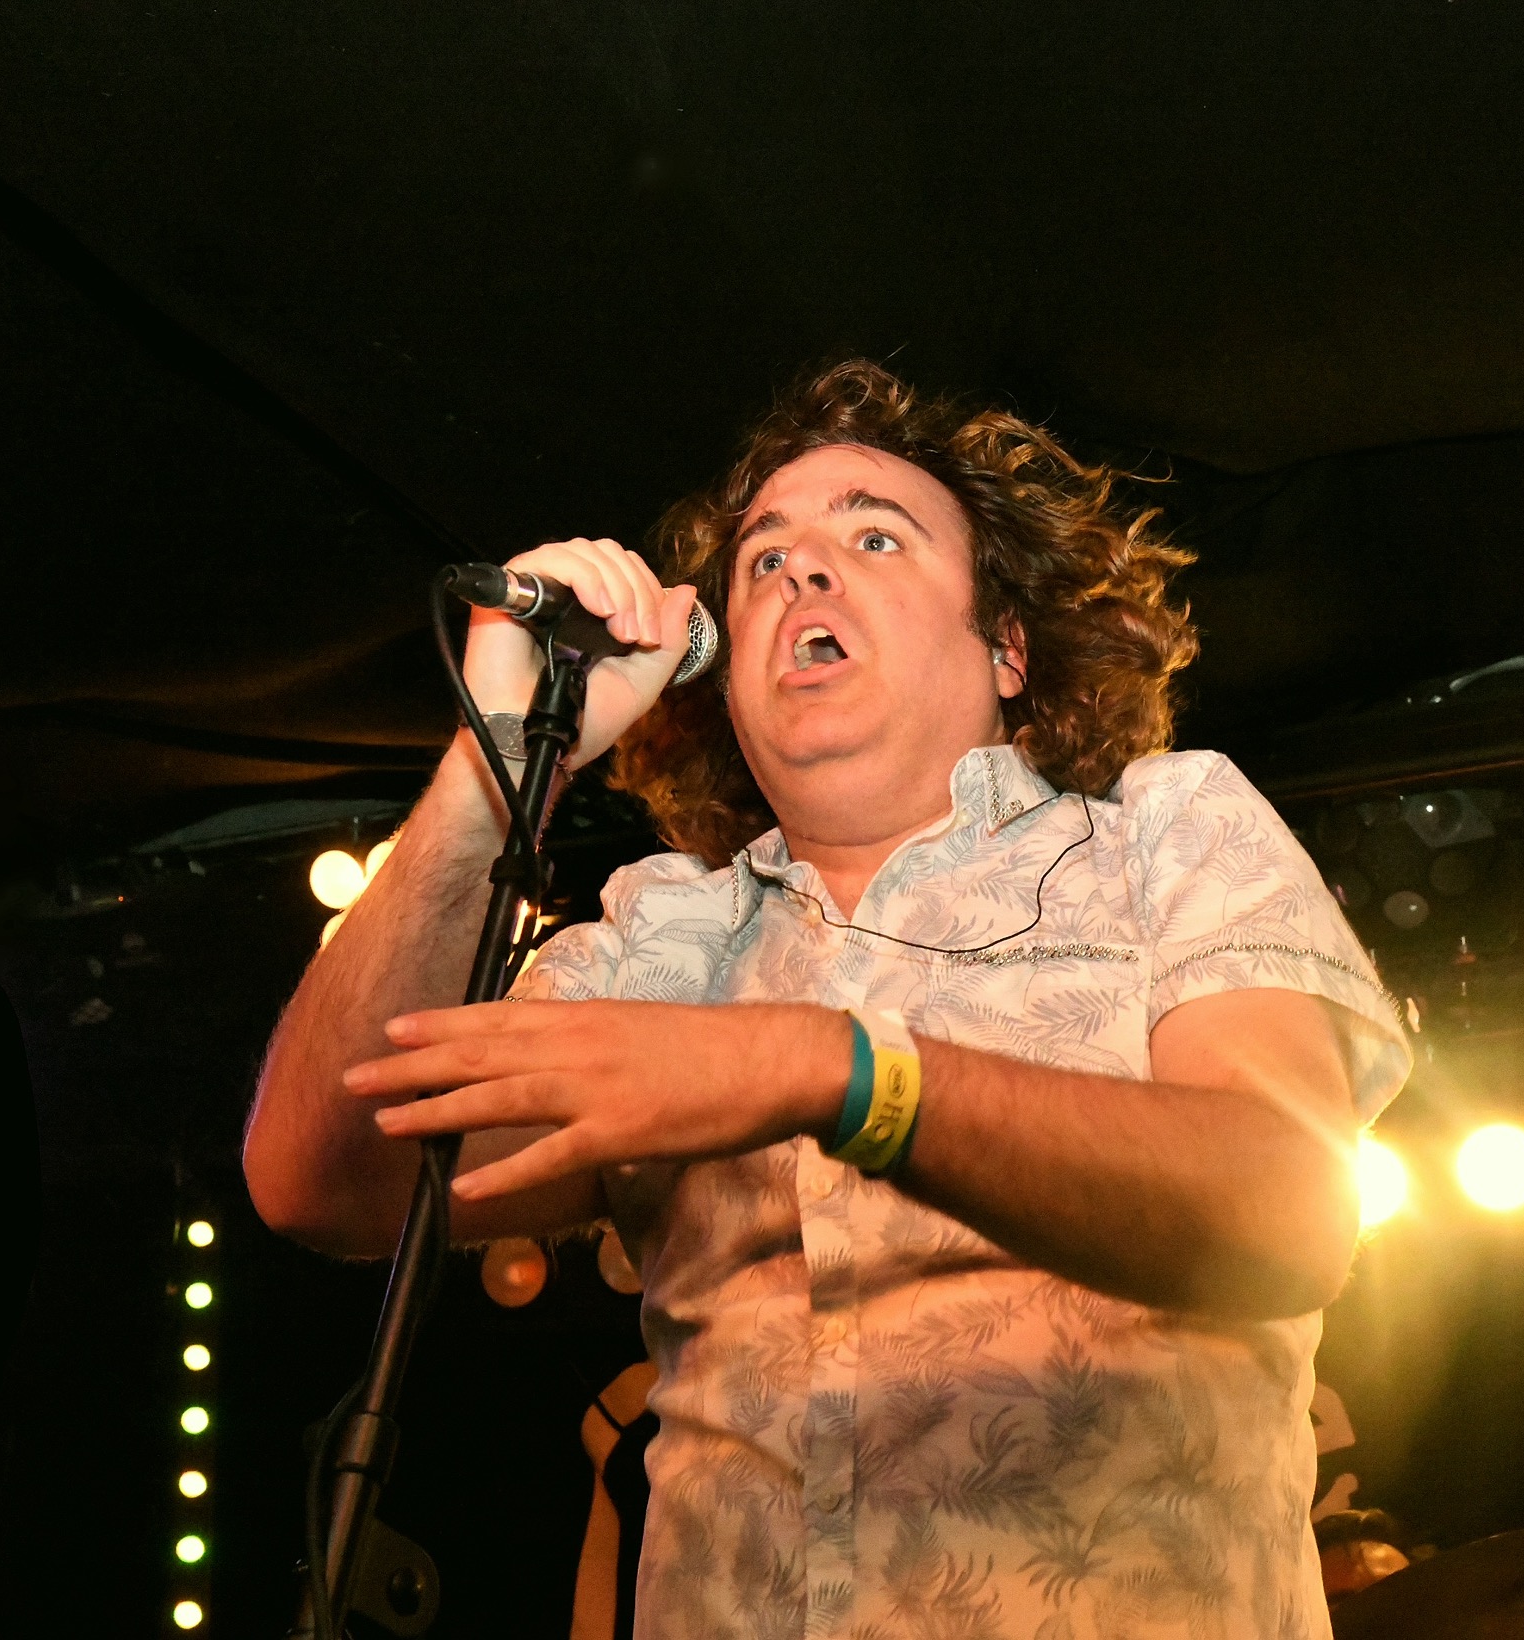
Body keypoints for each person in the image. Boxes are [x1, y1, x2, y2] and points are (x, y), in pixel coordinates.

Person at [245, 361, 1411, 1640]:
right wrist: (499, 758)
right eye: (762, 561)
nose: (801, 567)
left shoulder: (1164, 832)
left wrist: (842, 1071)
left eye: (873, 535)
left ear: (1006, 648)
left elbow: (1285, 1208)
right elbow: (326, 1177)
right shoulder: (666, 938)